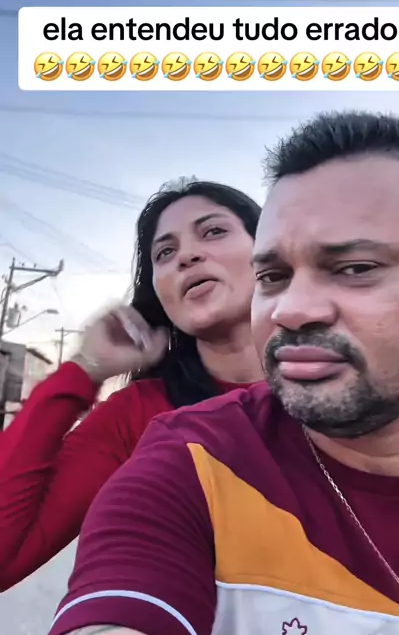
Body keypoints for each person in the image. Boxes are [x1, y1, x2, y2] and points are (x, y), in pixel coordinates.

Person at [18, 111, 399, 635]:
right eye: (276, 275)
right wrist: (81, 371)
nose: (294, 308)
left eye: (354, 268)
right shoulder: (176, 451)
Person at [0, 179, 263, 591]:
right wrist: (84, 369)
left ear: (269, 250)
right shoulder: (139, 415)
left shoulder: (343, 385)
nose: (187, 256)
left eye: (213, 231)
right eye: (165, 253)